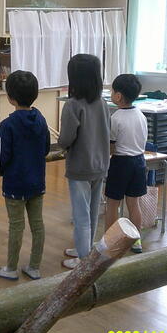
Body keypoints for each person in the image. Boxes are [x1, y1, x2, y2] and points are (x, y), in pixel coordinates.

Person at [0, 71, 50, 281]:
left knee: (16, 225)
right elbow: (45, 149)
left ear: (10, 98)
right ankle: (34, 267)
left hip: (14, 184)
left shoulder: (7, 125)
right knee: (37, 224)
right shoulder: (41, 119)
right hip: (37, 182)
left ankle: (10, 268)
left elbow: (0, 158)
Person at [58, 54, 110, 269]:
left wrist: (61, 145)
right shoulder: (103, 103)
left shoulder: (72, 105)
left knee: (81, 215)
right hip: (100, 164)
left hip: (80, 166)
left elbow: (66, 138)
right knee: (92, 212)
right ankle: (85, 249)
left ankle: (83, 260)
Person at [104, 74, 146, 252]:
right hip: (139, 162)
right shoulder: (141, 115)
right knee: (134, 204)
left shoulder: (116, 118)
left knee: (112, 204)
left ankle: (110, 242)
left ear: (118, 96)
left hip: (121, 163)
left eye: (112, 91)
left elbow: (111, 147)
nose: (111, 94)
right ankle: (136, 241)